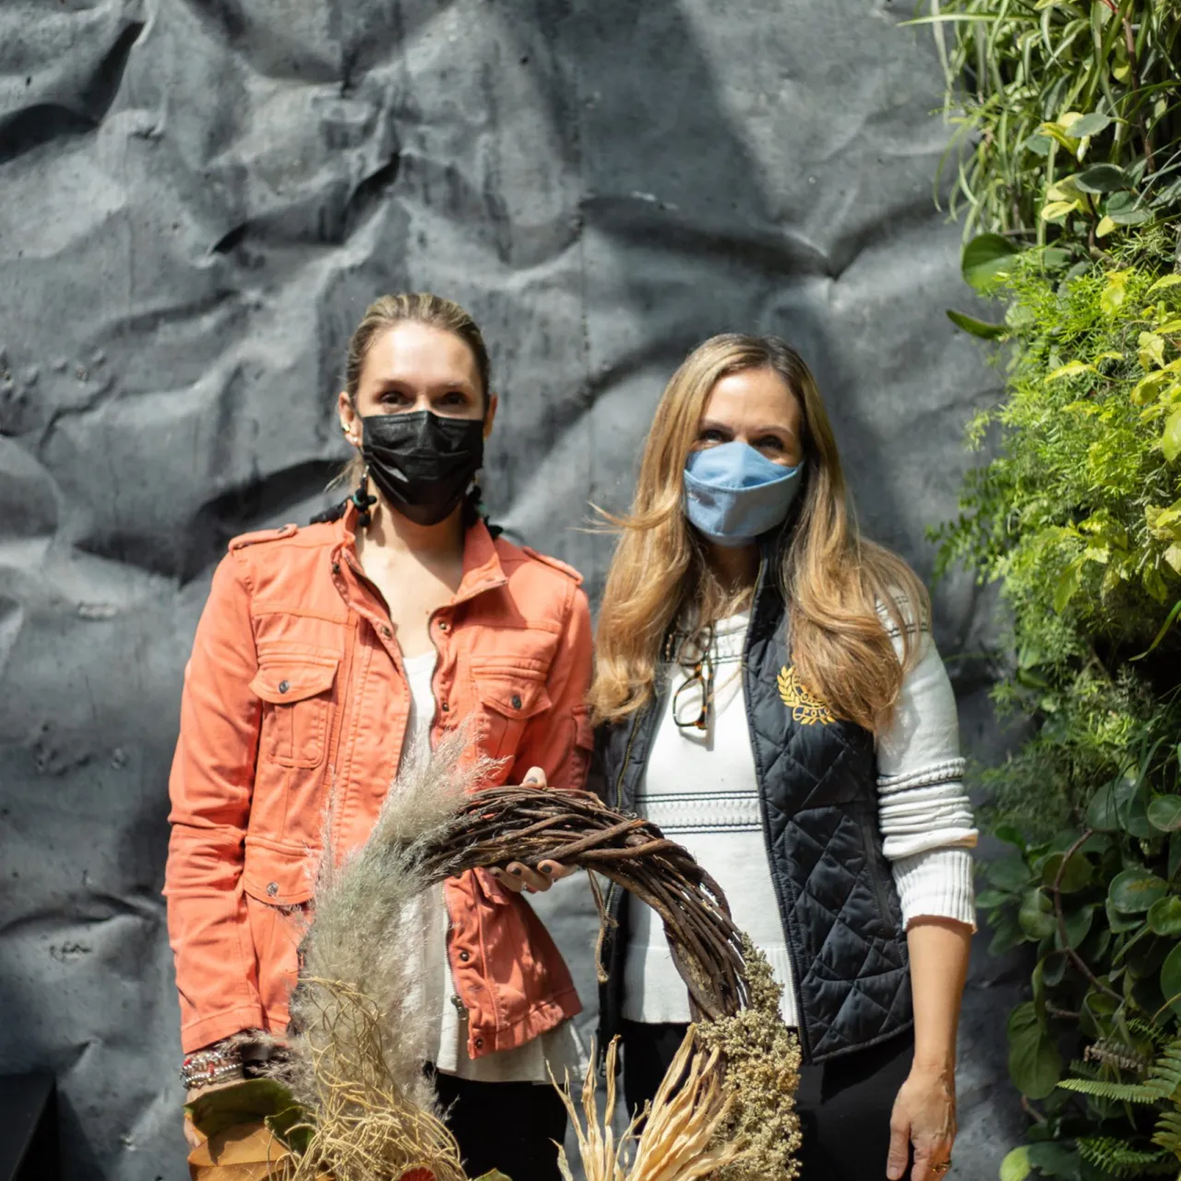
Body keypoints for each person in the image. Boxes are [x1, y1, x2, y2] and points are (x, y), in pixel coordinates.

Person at [164, 292, 594, 1181]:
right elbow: (204, 834)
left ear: (488, 416)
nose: (422, 422)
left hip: (487, 1046)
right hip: (302, 1038)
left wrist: (541, 846)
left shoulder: (550, 603)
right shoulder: (261, 583)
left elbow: (557, 811)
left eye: (450, 400)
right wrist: (221, 1039)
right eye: (394, 397)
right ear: (349, 415)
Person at [587, 334, 977, 1181]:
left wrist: (933, 1070)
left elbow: (935, 843)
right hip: (669, 1059)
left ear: (808, 465)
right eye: (712, 434)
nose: (737, 461)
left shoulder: (869, 612)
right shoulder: (628, 625)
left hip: (841, 1057)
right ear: (672, 447)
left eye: (768, 442)